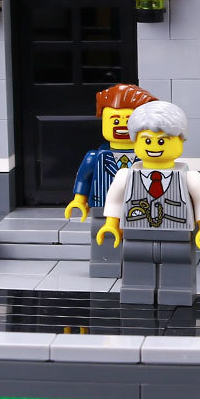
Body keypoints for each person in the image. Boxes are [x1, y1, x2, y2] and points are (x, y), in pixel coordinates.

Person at [97, 101, 200, 305]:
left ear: (181, 140)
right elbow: (115, 200)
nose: (154, 146)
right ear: (135, 140)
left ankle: (177, 292)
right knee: (136, 262)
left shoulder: (190, 177)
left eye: (162, 141)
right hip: (136, 232)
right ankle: (137, 292)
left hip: (177, 233)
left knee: (177, 263)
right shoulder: (126, 175)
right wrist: (111, 224)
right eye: (147, 140)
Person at [64, 83, 157, 277]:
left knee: (139, 239)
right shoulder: (96, 156)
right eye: (115, 120)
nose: (121, 126)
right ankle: (104, 266)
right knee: (103, 235)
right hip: (103, 204)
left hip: (139, 206)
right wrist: (79, 200)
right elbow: (84, 177)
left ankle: (138, 270)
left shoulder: (148, 157)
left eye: (128, 120)